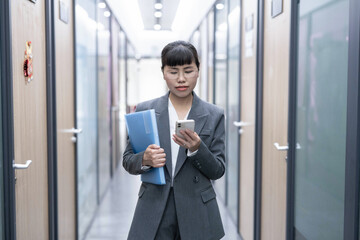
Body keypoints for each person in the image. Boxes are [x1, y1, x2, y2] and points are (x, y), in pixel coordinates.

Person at [123, 40, 225, 240]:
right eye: (173, 71)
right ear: (163, 72)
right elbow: (128, 160)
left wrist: (197, 149)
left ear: (198, 70)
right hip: (155, 206)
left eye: (188, 71)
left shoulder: (214, 115)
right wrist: (145, 159)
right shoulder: (145, 110)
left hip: (197, 207)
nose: (181, 79)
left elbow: (218, 170)